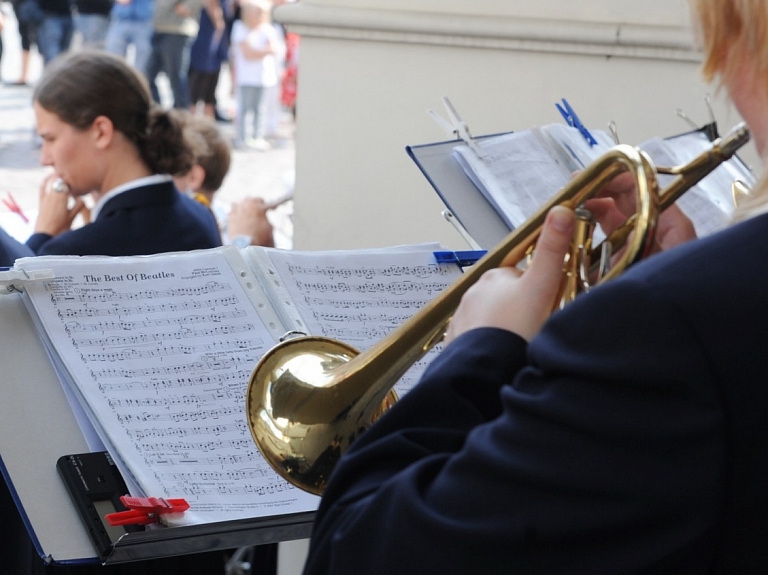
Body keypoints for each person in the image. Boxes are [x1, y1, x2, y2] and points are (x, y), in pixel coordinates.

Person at [301, 0, 768, 573]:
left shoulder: (662, 327)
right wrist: (687, 287)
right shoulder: (685, 317)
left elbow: (356, 553)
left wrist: (477, 350)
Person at [22, 50, 221, 260]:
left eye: (51, 139)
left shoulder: (73, 252)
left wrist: (41, 237)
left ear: (101, 132)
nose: (44, 158)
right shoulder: (201, 216)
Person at [144, 0, 223, 109]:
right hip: (159, 29)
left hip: (178, 30)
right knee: (148, 76)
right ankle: (158, 113)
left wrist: (188, 6)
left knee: (176, 77)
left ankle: (182, 115)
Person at [230, 0, 277, 150]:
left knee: (260, 108)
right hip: (246, 77)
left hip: (263, 77)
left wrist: (257, 52)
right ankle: (243, 137)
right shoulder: (239, 28)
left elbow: (273, 49)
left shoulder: (269, 29)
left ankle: (258, 137)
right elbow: (248, 53)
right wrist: (261, 52)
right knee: (244, 109)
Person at [104, 0, 154, 74]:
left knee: (143, 54)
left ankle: (138, 80)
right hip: (120, 19)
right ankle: (115, 80)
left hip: (143, 20)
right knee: (113, 56)